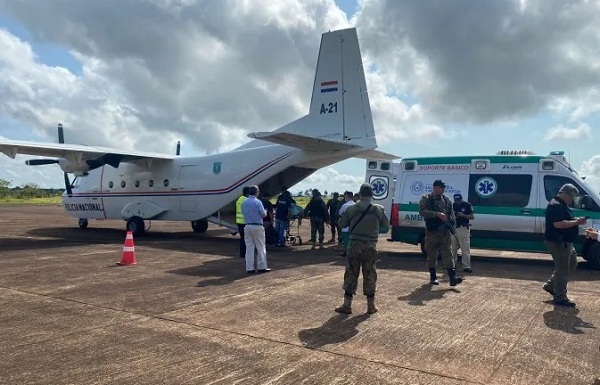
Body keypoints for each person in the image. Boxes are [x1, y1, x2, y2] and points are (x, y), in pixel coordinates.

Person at [335, 183, 389, 314]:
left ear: (360, 193)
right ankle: (371, 306)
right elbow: (385, 226)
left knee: (351, 273)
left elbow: (342, 224)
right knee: (370, 273)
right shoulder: (378, 209)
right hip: (370, 245)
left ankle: (347, 305)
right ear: (372, 194)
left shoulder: (353, 208)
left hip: (354, 245)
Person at [543, 183, 587, 307]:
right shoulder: (555, 205)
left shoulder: (562, 205)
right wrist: (576, 222)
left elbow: (565, 220)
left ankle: (551, 285)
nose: (571, 200)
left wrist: (576, 220)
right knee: (563, 269)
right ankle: (560, 297)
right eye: (571, 197)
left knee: (572, 263)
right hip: (558, 242)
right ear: (564, 193)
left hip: (565, 242)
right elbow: (558, 224)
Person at [418, 180, 463, 286]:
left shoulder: (447, 200)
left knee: (448, 254)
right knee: (432, 254)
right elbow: (422, 212)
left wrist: (451, 224)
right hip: (432, 232)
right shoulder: (426, 199)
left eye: (442, 188)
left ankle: (452, 277)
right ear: (434, 188)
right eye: (438, 187)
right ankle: (433, 277)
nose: (440, 190)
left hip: (445, 233)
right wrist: (437, 214)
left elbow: (451, 215)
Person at [241, 185, 270, 274]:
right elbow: (263, 215)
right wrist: (265, 211)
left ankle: (250, 268)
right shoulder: (257, 202)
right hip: (257, 226)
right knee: (260, 246)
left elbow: (243, 213)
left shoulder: (244, 202)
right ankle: (262, 267)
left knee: (249, 248)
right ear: (257, 192)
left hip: (247, 226)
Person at [451, 193, 475, 273]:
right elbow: (448, 216)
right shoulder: (452, 205)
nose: (458, 202)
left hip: (463, 228)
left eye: (459, 200)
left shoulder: (467, 205)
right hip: (454, 228)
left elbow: (472, 217)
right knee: (452, 248)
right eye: (456, 200)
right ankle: (452, 265)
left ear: (461, 199)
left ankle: (466, 266)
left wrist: (463, 215)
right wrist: (455, 216)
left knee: (465, 248)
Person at [337, 191, 355, 257]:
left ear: (347, 196)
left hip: (346, 226)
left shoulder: (345, 205)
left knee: (346, 240)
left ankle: (346, 252)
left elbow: (340, 213)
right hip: (354, 226)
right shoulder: (356, 205)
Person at [235, 186, 250, 259]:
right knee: (247, 239)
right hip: (245, 222)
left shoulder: (239, 199)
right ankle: (246, 253)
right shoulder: (246, 200)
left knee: (242, 238)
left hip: (239, 222)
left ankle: (242, 253)